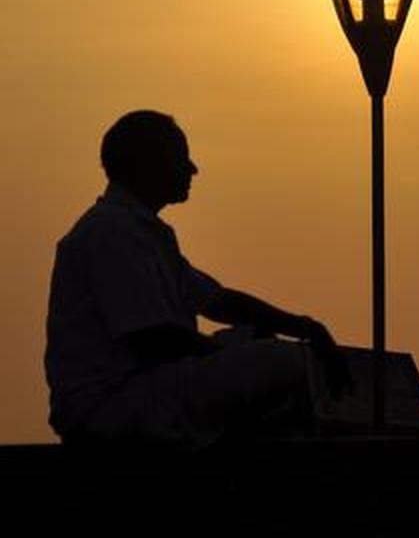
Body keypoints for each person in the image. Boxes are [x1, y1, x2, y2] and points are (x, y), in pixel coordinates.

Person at [45, 110, 352, 450]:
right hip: (113, 406)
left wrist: (305, 327)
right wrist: (222, 354)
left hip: (145, 390)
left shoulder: (140, 232)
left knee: (257, 338)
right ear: (147, 163)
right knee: (281, 362)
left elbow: (219, 301)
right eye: (181, 158)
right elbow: (152, 337)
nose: (192, 169)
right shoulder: (111, 232)